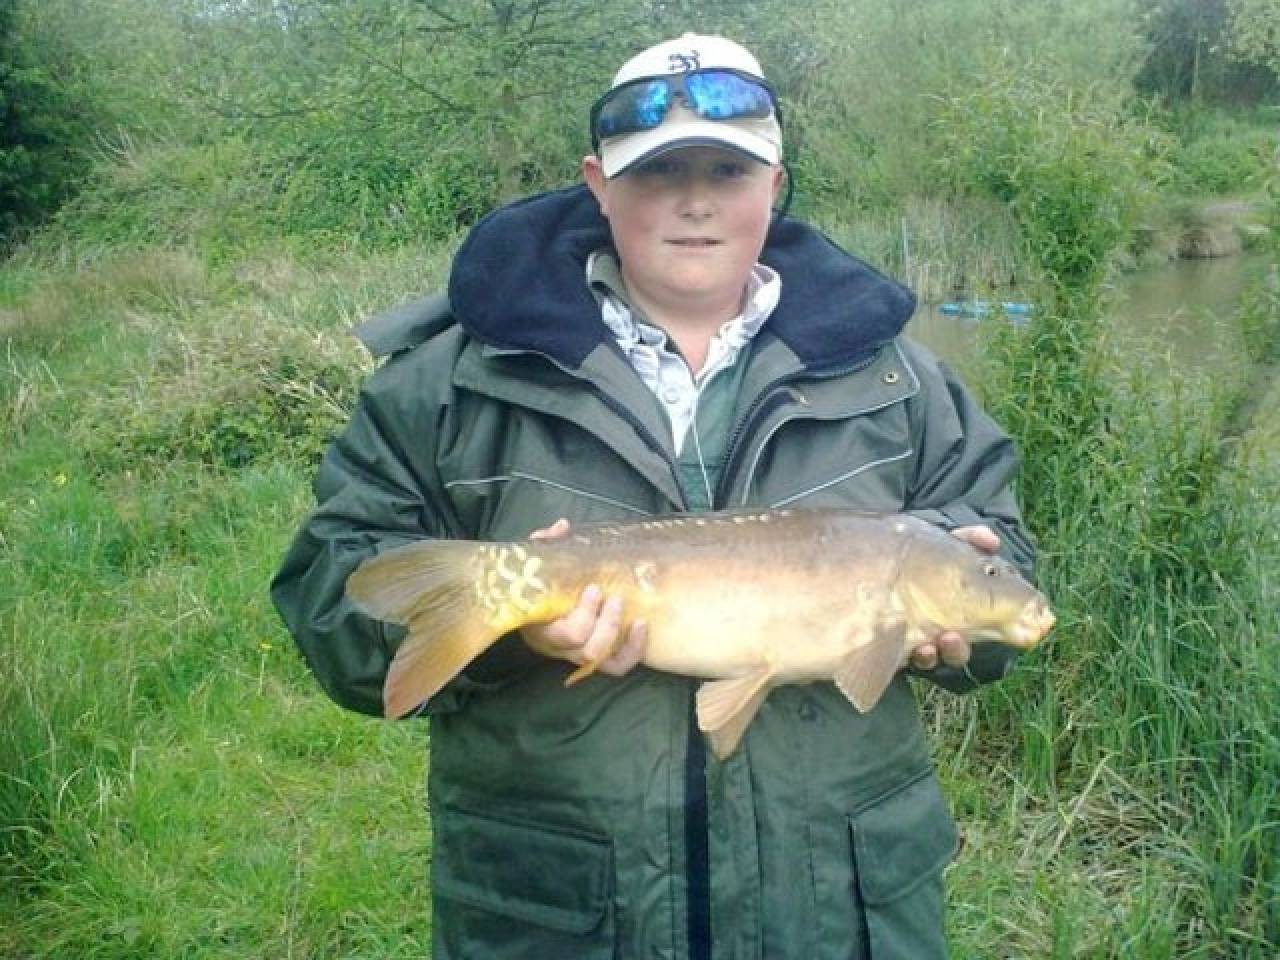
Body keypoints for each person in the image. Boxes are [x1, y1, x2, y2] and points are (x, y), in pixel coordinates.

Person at [272, 32, 1035, 960]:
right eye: (658, 171)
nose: (695, 200)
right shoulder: (448, 384)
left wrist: (958, 624)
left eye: (728, 170)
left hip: (839, 911)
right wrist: (516, 634)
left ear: (775, 182)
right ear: (598, 185)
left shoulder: (898, 381)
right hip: (560, 913)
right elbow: (332, 603)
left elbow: (1000, 559)